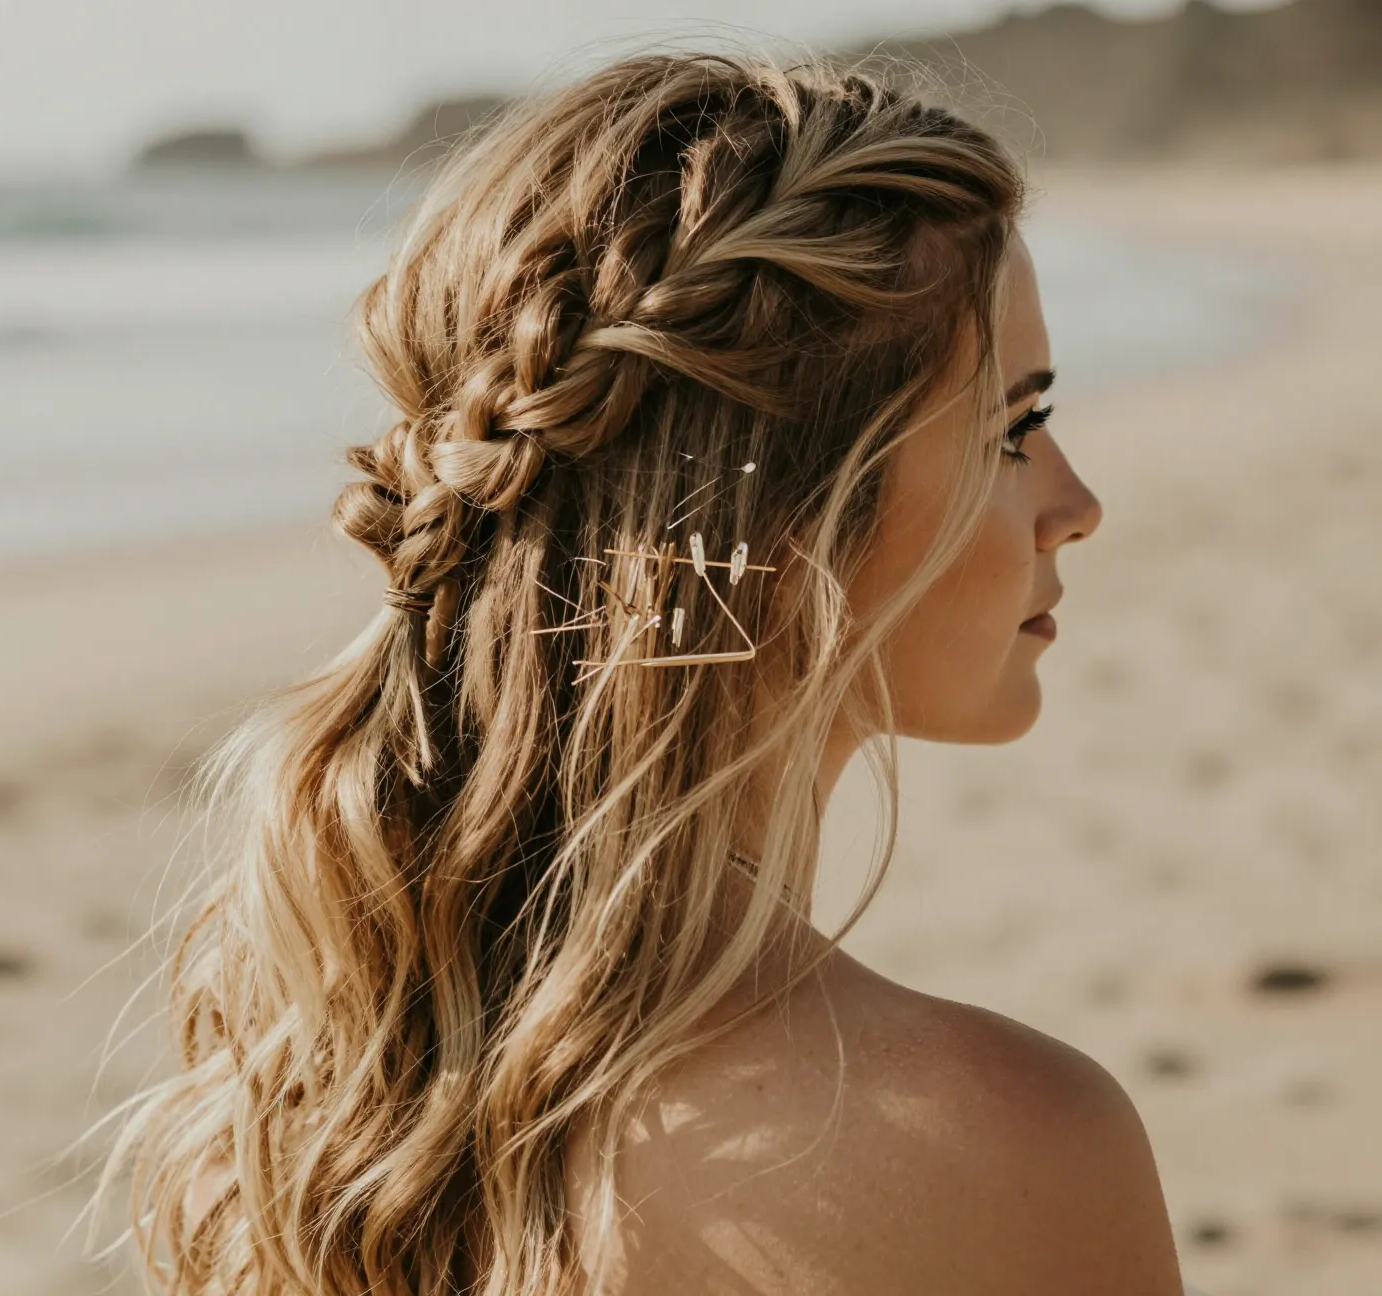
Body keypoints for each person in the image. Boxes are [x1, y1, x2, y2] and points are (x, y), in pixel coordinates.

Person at [96, 51, 1194, 1295]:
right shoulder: (1002, 1140)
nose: (1078, 506)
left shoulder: (326, 1096)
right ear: (780, 529)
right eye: (1014, 429)